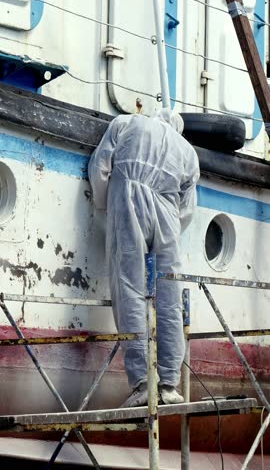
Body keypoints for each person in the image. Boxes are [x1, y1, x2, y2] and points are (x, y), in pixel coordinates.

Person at [88, 109, 200, 407]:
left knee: (130, 288)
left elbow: (100, 168)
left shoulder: (126, 123)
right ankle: (168, 384)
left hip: (129, 197)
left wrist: (104, 206)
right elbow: (187, 210)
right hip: (167, 213)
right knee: (169, 296)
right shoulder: (187, 151)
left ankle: (141, 384)